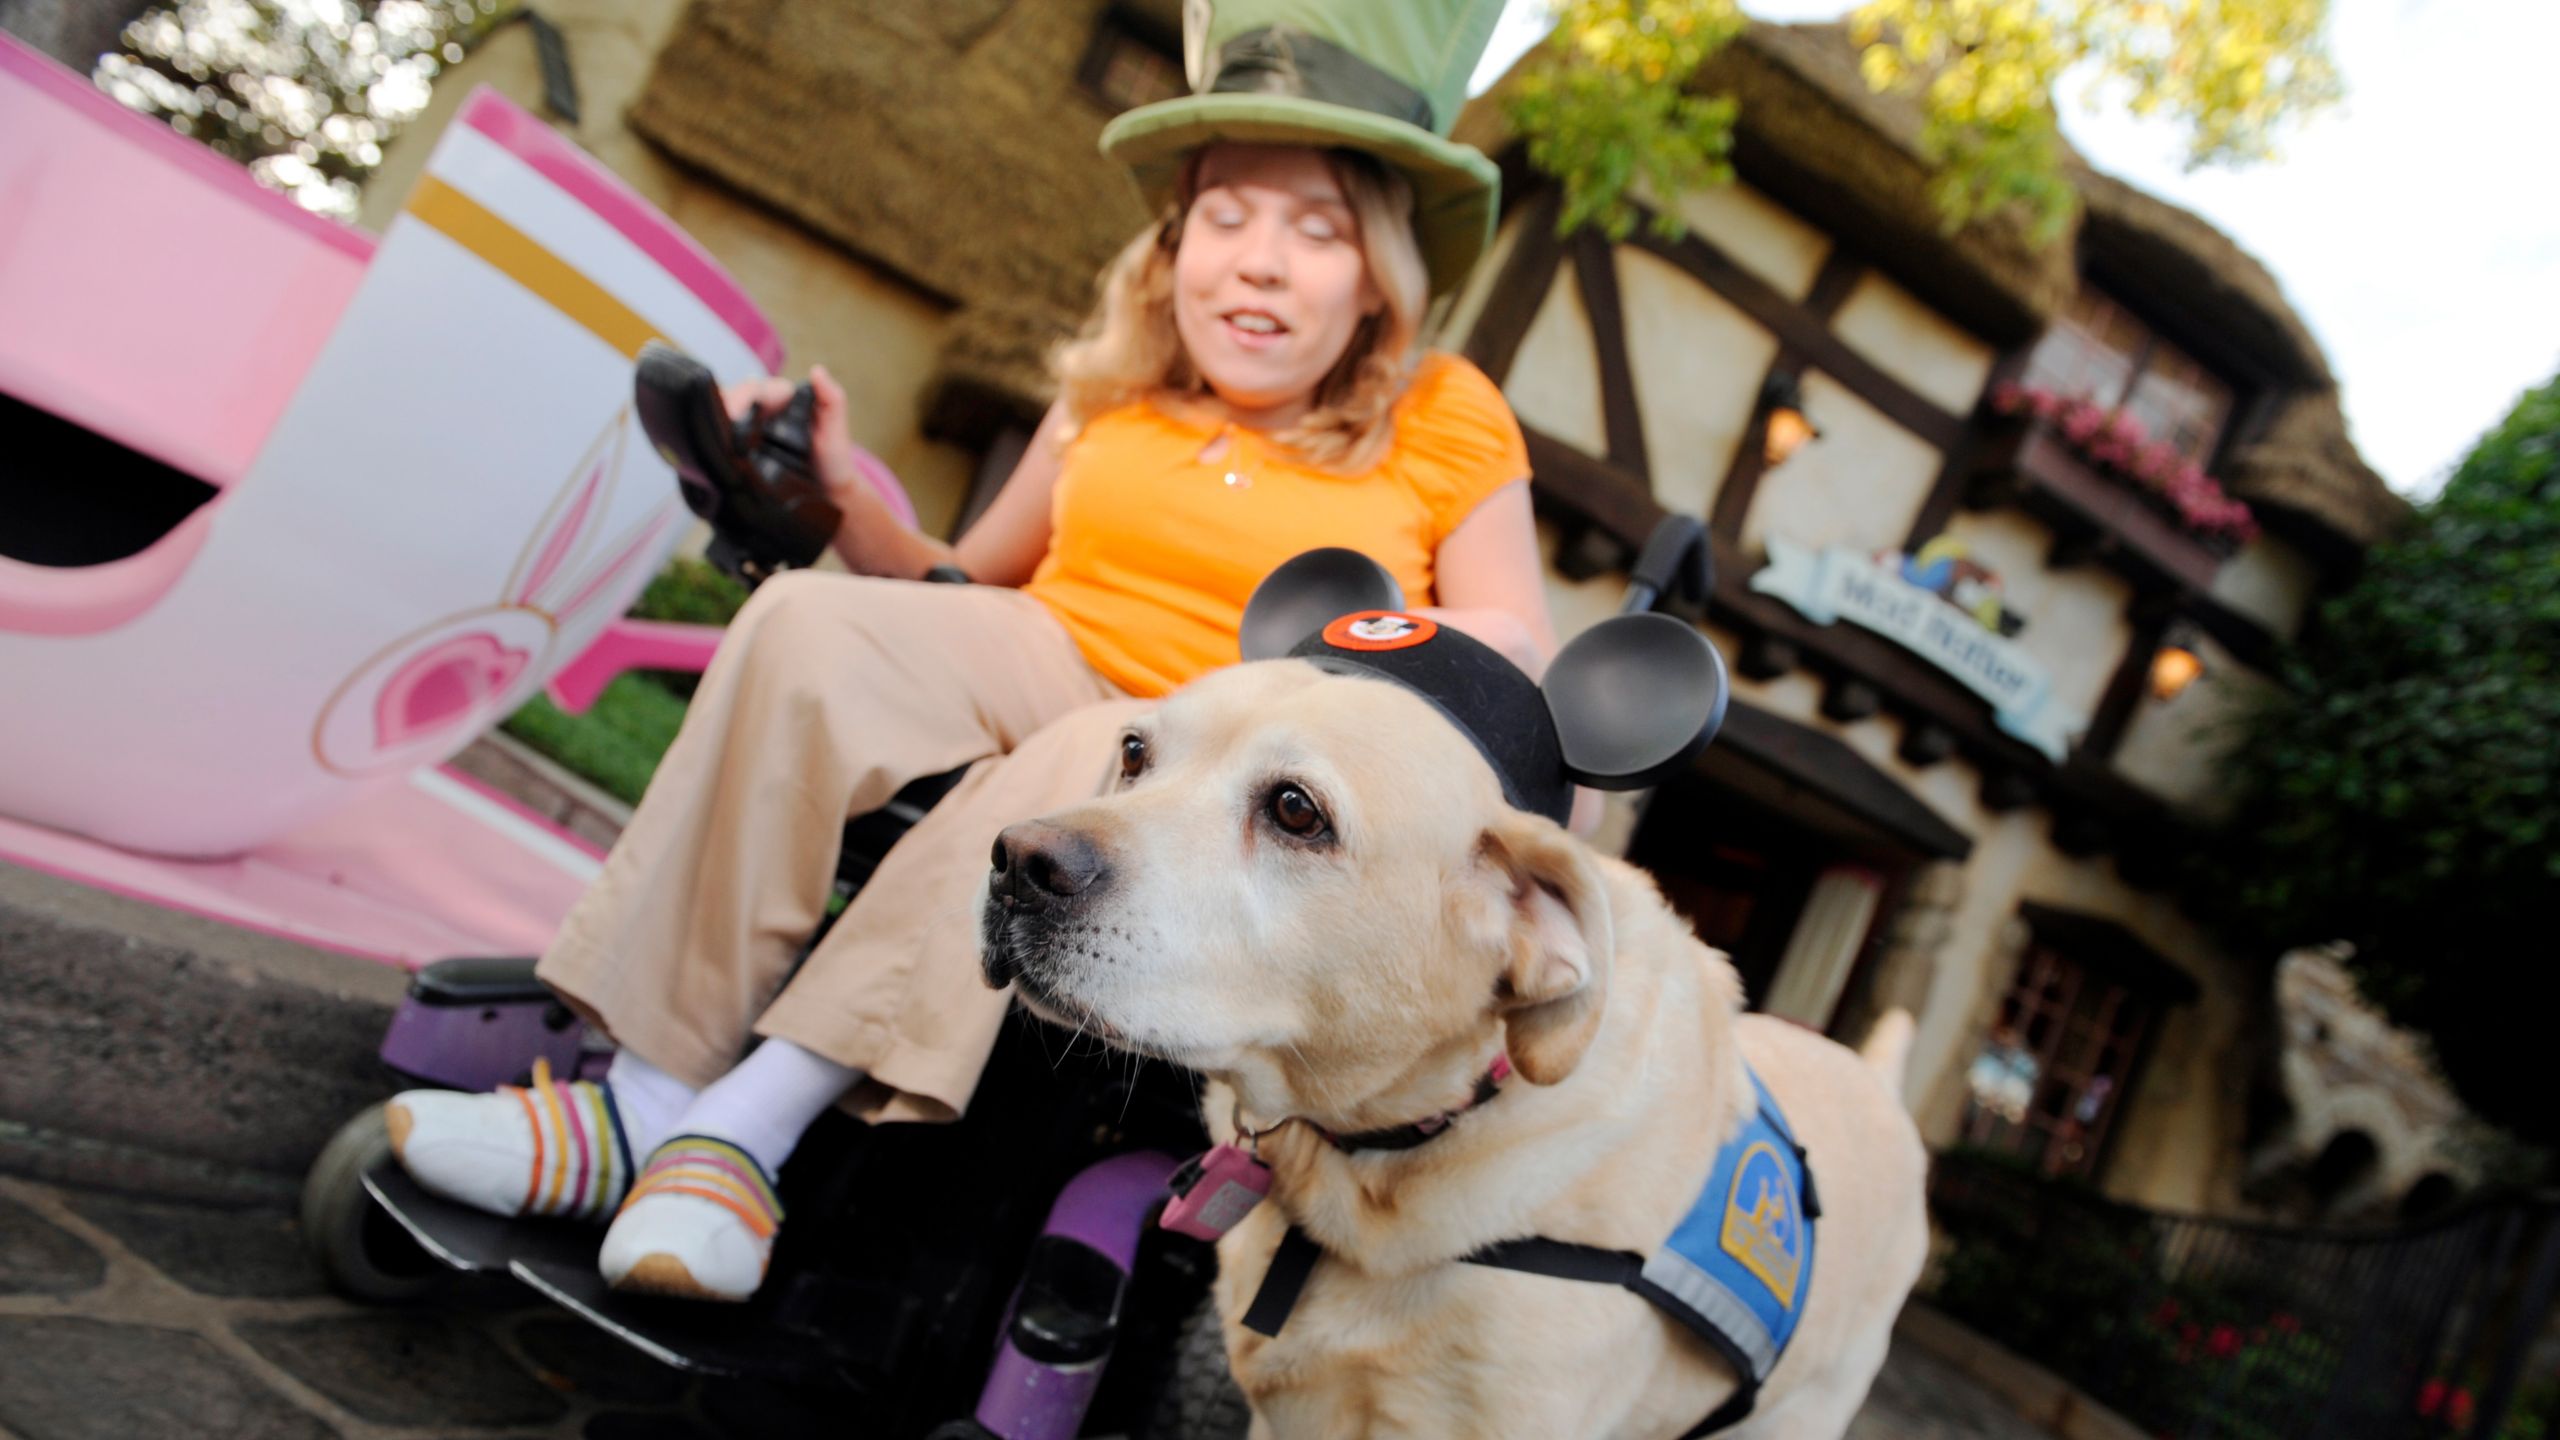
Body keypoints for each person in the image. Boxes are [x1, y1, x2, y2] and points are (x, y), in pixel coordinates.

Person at [386, 0, 1556, 1303]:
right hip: (1042, 648)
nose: (1261, 263)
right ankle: (648, 1102)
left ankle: (746, 1128)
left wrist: (1379, 650)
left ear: (1379, 273)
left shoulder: (1445, 414)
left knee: (1084, 756)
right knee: (805, 622)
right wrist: (843, 503)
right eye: (1226, 217)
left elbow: (1515, 642)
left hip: (1210, 745)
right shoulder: (1119, 388)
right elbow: (965, 581)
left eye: (1318, 230)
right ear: (1175, 248)